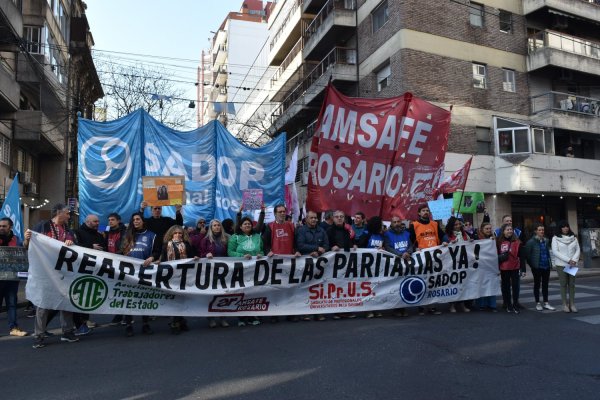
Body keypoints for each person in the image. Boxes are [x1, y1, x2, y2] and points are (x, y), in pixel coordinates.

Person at [25, 203, 79, 348]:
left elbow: (74, 246)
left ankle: (67, 331)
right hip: (44, 272)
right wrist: (27, 238)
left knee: (67, 302)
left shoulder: (67, 230)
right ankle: (39, 335)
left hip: (62, 273)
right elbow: (27, 245)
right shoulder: (42, 226)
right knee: (43, 304)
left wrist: (71, 242)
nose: (69, 216)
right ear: (58, 213)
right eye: (67, 213)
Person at [121, 212, 161, 336]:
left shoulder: (152, 235)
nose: (136, 221)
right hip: (129, 271)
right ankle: (128, 325)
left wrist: (152, 258)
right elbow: (120, 250)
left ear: (143, 221)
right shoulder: (127, 235)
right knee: (128, 298)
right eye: (134, 220)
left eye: (138, 219)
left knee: (144, 297)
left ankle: (145, 324)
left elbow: (157, 251)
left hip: (145, 271)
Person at [408, 204, 447, 316]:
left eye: (427, 211)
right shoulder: (414, 225)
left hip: (435, 257)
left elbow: (442, 235)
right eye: (423, 211)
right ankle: (421, 306)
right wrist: (414, 248)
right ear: (419, 213)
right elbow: (410, 241)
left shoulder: (434, 224)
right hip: (421, 257)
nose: (426, 212)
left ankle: (432, 306)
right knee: (421, 280)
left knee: (433, 282)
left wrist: (446, 241)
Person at [72, 214, 105, 335]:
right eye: (95, 221)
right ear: (88, 222)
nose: (98, 223)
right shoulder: (77, 232)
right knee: (80, 297)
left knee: (88, 297)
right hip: (80, 270)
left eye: (98, 221)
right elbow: (74, 248)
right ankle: (78, 323)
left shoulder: (99, 235)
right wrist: (91, 247)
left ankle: (85, 320)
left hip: (94, 270)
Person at [228, 216, 263, 326]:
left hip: (255, 269)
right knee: (242, 292)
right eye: (245, 224)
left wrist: (260, 255)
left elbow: (262, 250)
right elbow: (230, 252)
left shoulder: (257, 236)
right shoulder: (235, 237)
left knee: (253, 292)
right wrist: (242, 256)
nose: (247, 225)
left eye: (249, 224)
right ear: (240, 226)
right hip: (240, 269)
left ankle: (253, 315)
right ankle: (242, 317)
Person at [295, 210, 330, 321]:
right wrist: (315, 249)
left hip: (320, 265)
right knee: (306, 288)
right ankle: (305, 312)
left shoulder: (322, 231)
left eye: (315, 218)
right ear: (306, 219)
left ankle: (318, 312)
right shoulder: (301, 231)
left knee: (319, 288)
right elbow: (300, 245)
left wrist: (319, 253)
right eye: (312, 218)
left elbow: (326, 245)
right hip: (306, 264)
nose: (314, 220)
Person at [160, 225, 194, 334]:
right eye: (176, 233)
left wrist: (196, 258)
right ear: (171, 234)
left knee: (182, 298)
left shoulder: (187, 245)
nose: (178, 235)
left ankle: (180, 320)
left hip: (184, 275)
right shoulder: (166, 245)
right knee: (174, 299)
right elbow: (164, 258)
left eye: (180, 233)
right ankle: (176, 322)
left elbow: (192, 257)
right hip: (171, 276)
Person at [199, 219, 230, 328]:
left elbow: (230, 253)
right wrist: (206, 255)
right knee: (211, 295)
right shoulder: (205, 240)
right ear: (211, 228)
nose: (217, 227)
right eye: (214, 225)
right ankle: (211, 318)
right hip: (210, 271)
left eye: (218, 225)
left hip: (224, 271)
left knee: (223, 294)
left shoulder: (226, 238)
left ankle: (223, 317)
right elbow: (201, 254)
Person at [327, 210, 357, 319]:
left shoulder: (348, 230)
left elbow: (352, 241)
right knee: (336, 287)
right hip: (334, 264)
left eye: (341, 216)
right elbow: (326, 244)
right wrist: (331, 247)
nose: (339, 218)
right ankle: (337, 310)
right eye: (337, 217)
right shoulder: (329, 231)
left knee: (347, 286)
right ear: (333, 218)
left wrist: (354, 245)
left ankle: (347, 309)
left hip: (348, 263)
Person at [0, 218, 27, 337]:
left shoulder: (16, 239)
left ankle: (14, 328)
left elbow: (24, 250)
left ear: (10, 227)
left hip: (12, 278)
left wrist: (27, 239)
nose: (1, 228)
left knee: (12, 304)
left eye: (4, 226)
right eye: (0, 226)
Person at [358, 216, 385, 318]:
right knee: (368, 288)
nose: (382, 226)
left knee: (377, 287)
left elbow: (384, 247)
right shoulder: (366, 234)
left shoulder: (381, 236)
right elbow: (360, 247)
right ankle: (368, 309)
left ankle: (376, 308)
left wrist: (382, 248)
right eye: (380, 224)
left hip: (378, 265)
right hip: (367, 265)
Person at [384, 216, 412, 317]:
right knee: (395, 286)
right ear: (391, 224)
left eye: (398, 221)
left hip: (406, 262)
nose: (396, 224)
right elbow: (387, 247)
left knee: (404, 285)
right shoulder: (387, 234)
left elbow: (410, 245)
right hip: (394, 263)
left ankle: (403, 307)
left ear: (401, 222)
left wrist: (408, 252)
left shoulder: (407, 233)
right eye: (394, 222)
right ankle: (396, 308)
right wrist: (400, 254)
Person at [524, 224, 555, 312]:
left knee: (545, 285)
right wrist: (533, 265)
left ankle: (546, 302)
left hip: (546, 266)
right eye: (540, 230)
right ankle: (537, 303)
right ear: (536, 231)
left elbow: (548, 252)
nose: (542, 231)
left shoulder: (546, 240)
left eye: (543, 230)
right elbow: (527, 256)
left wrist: (550, 263)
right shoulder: (531, 242)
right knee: (537, 285)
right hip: (537, 267)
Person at [444, 216, 472, 313]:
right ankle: (452, 305)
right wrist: (449, 243)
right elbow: (443, 247)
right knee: (452, 284)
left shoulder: (464, 234)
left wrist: (471, 241)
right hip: (452, 264)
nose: (458, 226)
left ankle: (462, 304)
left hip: (464, 263)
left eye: (459, 224)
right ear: (451, 226)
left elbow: (470, 244)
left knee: (463, 284)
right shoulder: (447, 235)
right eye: (455, 224)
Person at [551, 221, 581, 313]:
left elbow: (578, 250)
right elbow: (555, 252)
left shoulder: (574, 238)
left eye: (567, 226)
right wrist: (568, 260)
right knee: (563, 284)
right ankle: (564, 304)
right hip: (561, 264)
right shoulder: (555, 238)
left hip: (572, 264)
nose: (565, 228)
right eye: (563, 227)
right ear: (560, 228)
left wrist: (574, 260)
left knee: (572, 284)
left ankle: (572, 304)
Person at [104, 213, 127, 326]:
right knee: (114, 289)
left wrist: (117, 256)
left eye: (112, 220)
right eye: (109, 220)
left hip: (120, 263)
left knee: (122, 289)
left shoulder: (125, 232)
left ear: (118, 221)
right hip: (110, 264)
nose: (110, 222)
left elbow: (125, 246)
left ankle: (125, 315)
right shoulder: (107, 231)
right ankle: (118, 314)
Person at [497, 223, 524, 314]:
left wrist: (523, 269)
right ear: (503, 231)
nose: (509, 231)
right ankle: (508, 304)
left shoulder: (517, 242)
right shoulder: (499, 242)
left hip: (515, 267)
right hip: (504, 268)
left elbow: (522, 256)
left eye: (511, 229)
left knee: (516, 287)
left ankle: (515, 304)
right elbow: (496, 255)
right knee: (506, 287)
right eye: (507, 229)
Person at [475, 222, 497, 312]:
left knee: (491, 284)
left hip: (491, 265)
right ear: (482, 229)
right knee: (481, 284)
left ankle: (492, 305)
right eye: (486, 229)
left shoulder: (494, 239)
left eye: (490, 228)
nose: (488, 230)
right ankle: (481, 304)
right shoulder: (477, 238)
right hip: (480, 265)